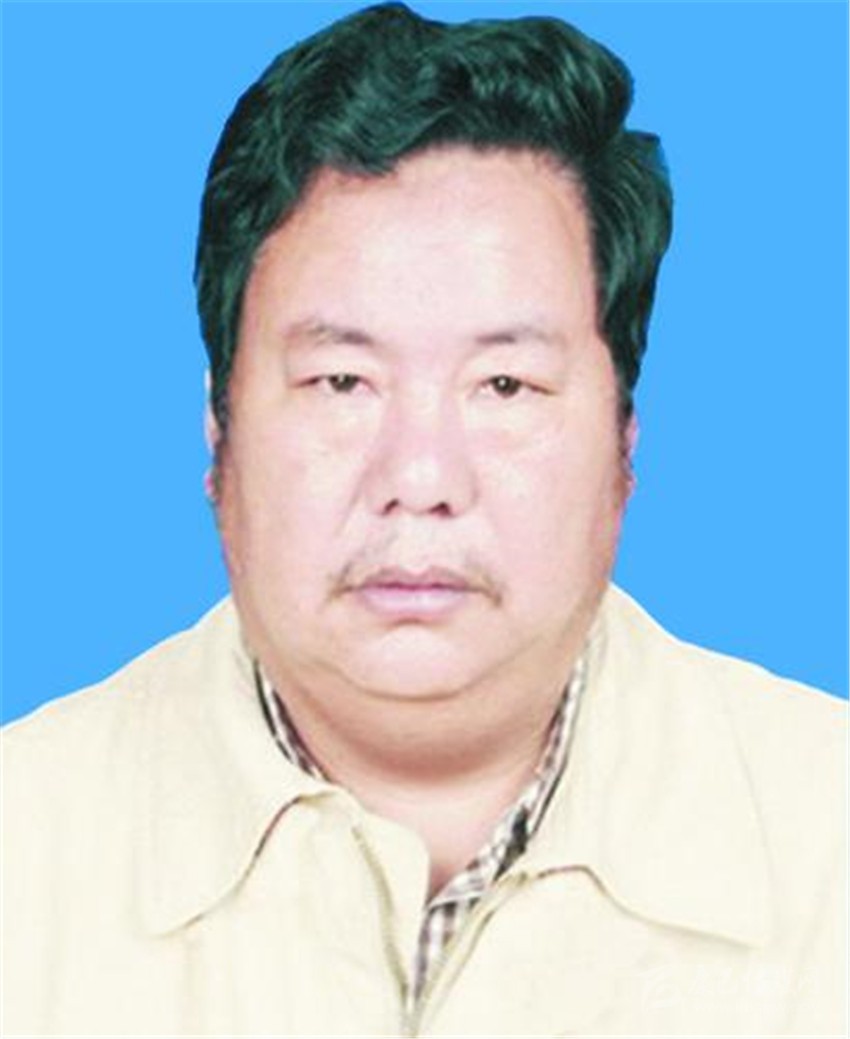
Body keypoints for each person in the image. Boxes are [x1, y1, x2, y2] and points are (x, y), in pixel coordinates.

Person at [2, 3, 845, 1035]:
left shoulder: (829, 839)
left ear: (625, 441)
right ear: (219, 432)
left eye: (504, 385)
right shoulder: (20, 847)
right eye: (342, 381)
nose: (419, 477)